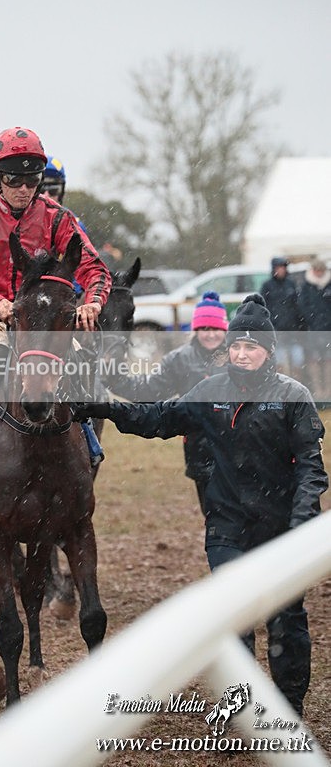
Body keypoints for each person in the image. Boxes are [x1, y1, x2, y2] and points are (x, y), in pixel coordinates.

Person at [74, 293, 328, 715]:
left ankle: (289, 709)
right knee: (234, 618)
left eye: (252, 346)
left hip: (282, 527)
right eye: (237, 346)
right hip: (227, 527)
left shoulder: (293, 395)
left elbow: (311, 469)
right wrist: (104, 407)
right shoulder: (210, 391)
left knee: (286, 622)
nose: (243, 354)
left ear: (268, 351)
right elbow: (157, 419)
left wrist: (302, 521)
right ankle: (244, 708)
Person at [0, 127, 112, 478]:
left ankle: (87, 433)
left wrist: (92, 302)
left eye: (31, 181)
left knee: (79, 360)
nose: (24, 190)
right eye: (15, 181)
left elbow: (95, 268)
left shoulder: (56, 217)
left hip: (40, 321)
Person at [104, 291, 228, 514]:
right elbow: (148, 389)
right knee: (214, 517)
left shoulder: (237, 356)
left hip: (238, 451)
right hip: (201, 451)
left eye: (216, 329)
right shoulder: (180, 360)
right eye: (205, 329)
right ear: (196, 330)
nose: (211, 335)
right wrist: (116, 379)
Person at [259, 256, 305, 378]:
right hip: (276, 328)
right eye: (279, 267)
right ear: (274, 269)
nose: (281, 270)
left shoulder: (291, 284)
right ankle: (281, 385)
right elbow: (263, 308)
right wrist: (271, 324)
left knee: (297, 359)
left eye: (283, 267)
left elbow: (298, 306)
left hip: (292, 328)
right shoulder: (267, 286)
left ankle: (296, 384)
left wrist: (300, 325)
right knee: (279, 361)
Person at [298, 258, 331, 402]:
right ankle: (318, 390)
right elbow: (302, 306)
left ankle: (328, 391)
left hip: (328, 329)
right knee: (314, 361)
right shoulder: (306, 286)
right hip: (312, 330)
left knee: (328, 361)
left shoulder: (329, 285)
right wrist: (311, 321)